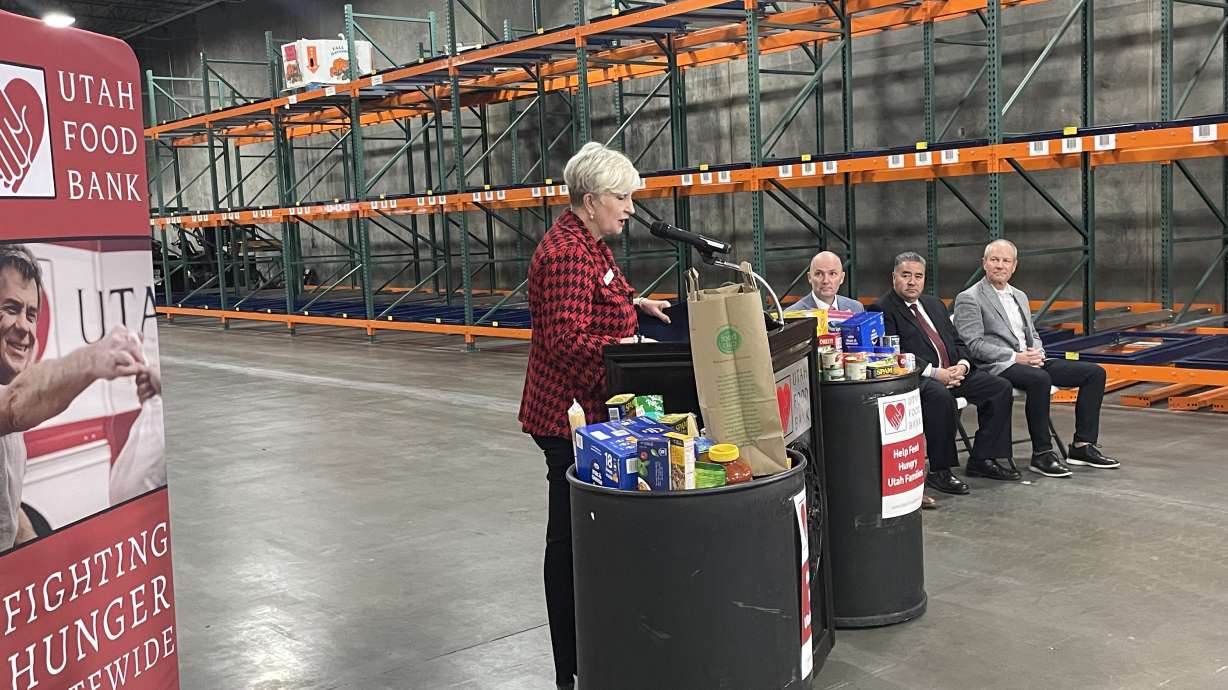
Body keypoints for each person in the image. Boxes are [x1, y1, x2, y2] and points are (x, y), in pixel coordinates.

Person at [518, 142, 670, 690]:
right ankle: (571, 663)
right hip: (567, 418)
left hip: (587, 408)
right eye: (622, 197)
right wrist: (629, 361)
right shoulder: (564, 254)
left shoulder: (590, 242)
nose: (630, 208)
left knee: (588, 534)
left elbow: (607, 285)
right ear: (590, 199)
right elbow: (567, 342)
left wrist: (637, 305)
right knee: (569, 539)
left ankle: (594, 642)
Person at [0, 244, 149, 552]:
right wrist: (91, 360)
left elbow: (8, 509)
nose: (24, 327)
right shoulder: (12, 403)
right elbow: (13, 407)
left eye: (31, 314)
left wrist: (36, 558)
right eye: (11, 309)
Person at [953, 239, 1120, 477]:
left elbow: (1032, 334)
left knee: (1095, 373)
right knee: (1039, 379)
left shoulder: (1019, 295)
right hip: (998, 365)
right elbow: (973, 345)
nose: (1000, 265)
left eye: (1005, 261)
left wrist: (1037, 352)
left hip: (1029, 361)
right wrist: (1016, 356)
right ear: (984, 263)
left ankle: (1082, 446)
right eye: (994, 260)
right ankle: (1042, 454)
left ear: (1014, 266)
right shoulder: (970, 297)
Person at [870, 252, 1017, 497]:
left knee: (999, 388)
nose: (912, 282)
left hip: (953, 372)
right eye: (905, 275)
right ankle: (940, 470)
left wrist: (962, 366)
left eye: (918, 276)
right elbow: (895, 353)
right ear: (894, 277)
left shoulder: (934, 304)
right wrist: (935, 373)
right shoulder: (882, 309)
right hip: (920, 377)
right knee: (940, 397)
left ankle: (983, 458)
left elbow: (958, 341)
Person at [787, 251, 865, 313]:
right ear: (809, 277)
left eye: (832, 273)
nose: (826, 281)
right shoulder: (792, 314)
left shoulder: (856, 308)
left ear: (842, 278)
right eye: (819, 274)